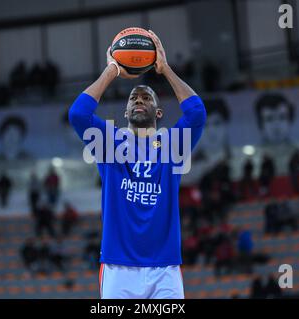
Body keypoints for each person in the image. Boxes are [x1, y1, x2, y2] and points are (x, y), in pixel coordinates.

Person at [68, 30, 206, 299]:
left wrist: (165, 69)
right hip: (119, 267)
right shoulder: (109, 143)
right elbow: (78, 113)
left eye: (146, 98)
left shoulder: (172, 145)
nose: (139, 101)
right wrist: (112, 70)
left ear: (158, 112)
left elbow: (197, 112)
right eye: (133, 98)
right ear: (125, 111)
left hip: (164, 267)